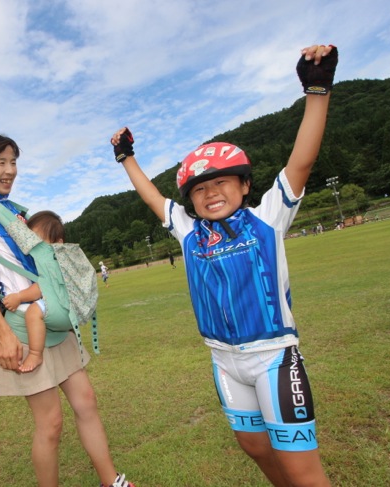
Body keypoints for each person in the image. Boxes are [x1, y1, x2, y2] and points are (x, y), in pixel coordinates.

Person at [111, 44, 336, 486]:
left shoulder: (267, 216)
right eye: (200, 189)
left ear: (244, 185)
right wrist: (126, 158)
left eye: (221, 183)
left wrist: (317, 90)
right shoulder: (188, 230)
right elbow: (152, 196)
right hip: (223, 359)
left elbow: (302, 161)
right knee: (253, 447)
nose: (210, 193)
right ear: (190, 199)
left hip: (274, 357)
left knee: (301, 466)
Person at [0, 134, 134, 487]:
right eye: (0, 163)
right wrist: (4, 336)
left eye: (13, 162)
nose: (10, 170)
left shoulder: (15, 211)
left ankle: (112, 481)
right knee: (50, 423)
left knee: (87, 402)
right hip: (21, 328)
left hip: (52, 319)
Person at [1, 210, 65, 373]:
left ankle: (36, 353)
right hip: (63, 302)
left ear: (58, 243)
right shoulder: (60, 257)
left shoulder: (52, 261)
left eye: (39, 242)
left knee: (33, 313)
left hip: (58, 301)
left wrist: (19, 297)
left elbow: (42, 287)